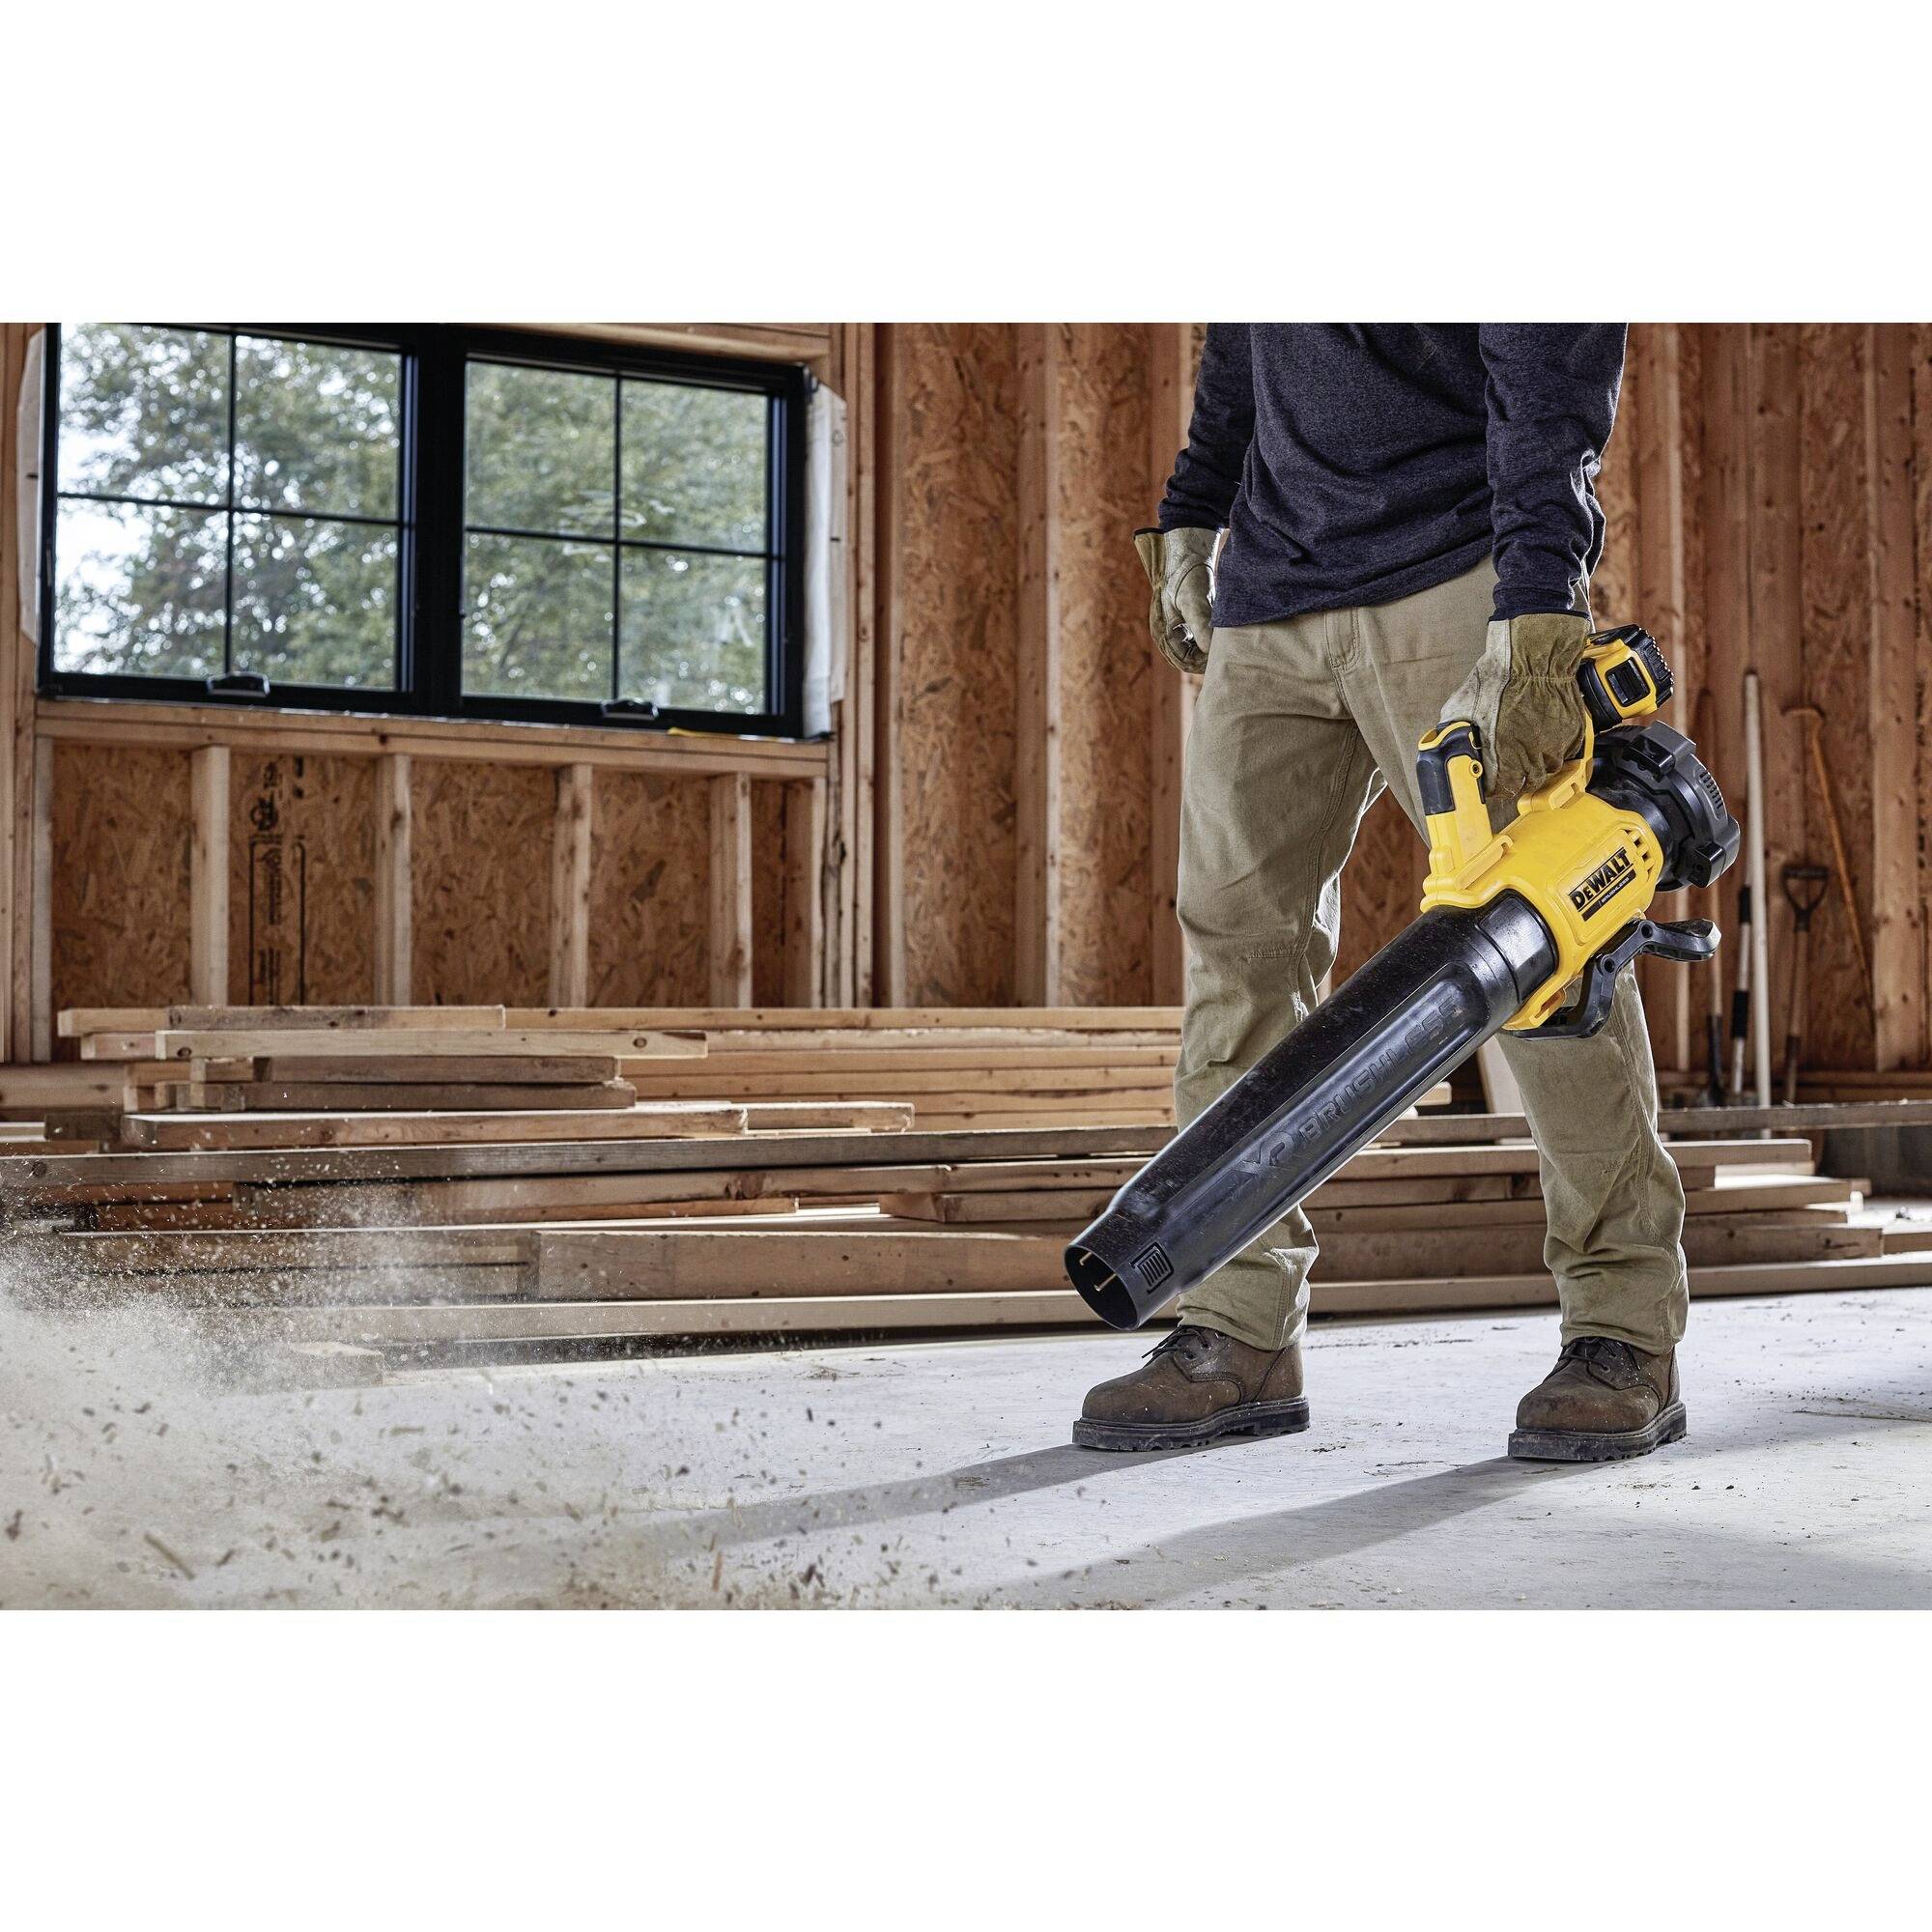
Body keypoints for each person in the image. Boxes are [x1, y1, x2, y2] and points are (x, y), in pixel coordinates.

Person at [1075, 325, 1687, 1464]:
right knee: (1237, 959)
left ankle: (1621, 1330)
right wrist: (1195, 510)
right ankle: (1237, 1325)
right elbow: (1244, 339)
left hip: (1453, 577)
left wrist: (1539, 596)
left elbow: (1549, 349)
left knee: (1542, 947)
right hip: (1267, 594)